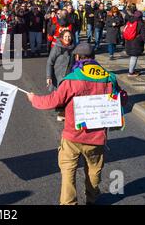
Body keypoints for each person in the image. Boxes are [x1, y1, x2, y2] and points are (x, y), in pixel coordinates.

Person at [27, 42, 125, 205]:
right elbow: (120, 98)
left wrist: (33, 99)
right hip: (97, 137)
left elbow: (53, 100)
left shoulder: (72, 79)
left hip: (73, 135)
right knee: (94, 170)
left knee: (68, 171)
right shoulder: (109, 77)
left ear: (77, 57)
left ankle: (69, 202)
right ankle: (92, 199)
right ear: (93, 58)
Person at [46, 29, 75, 122]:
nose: (67, 38)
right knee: (60, 95)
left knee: (69, 95)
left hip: (70, 75)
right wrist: (49, 77)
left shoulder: (74, 47)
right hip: (58, 75)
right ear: (62, 37)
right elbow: (49, 62)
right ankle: (61, 113)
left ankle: (65, 112)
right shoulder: (57, 47)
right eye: (66, 36)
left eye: (69, 36)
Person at [124, 10, 145, 77]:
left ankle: (132, 70)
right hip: (136, 42)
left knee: (132, 57)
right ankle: (131, 72)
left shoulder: (130, 20)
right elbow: (144, 35)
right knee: (134, 57)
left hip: (129, 41)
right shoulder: (141, 23)